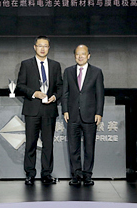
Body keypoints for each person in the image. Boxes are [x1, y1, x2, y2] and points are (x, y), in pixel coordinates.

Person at [16, 36, 63, 185]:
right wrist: (34, 93)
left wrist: (55, 96)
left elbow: (60, 86)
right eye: (40, 45)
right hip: (32, 110)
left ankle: (46, 174)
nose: (43, 48)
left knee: (48, 144)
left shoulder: (55, 65)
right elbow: (20, 86)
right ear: (35, 47)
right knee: (30, 143)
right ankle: (30, 174)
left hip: (49, 110)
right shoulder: (26, 64)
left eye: (45, 46)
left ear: (49, 48)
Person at [62, 44, 105, 186]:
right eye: (77, 54)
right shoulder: (68, 71)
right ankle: (76, 175)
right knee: (73, 148)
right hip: (72, 115)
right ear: (74, 56)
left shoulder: (97, 72)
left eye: (83, 54)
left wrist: (99, 112)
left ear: (88, 55)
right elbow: (65, 93)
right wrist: (65, 110)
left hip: (90, 115)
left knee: (89, 147)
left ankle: (87, 175)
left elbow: (100, 94)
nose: (80, 57)